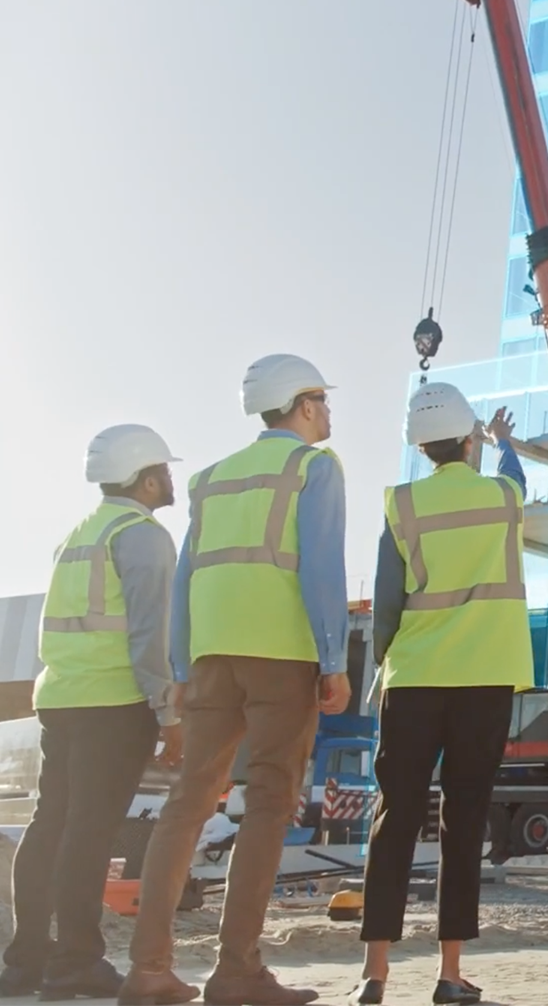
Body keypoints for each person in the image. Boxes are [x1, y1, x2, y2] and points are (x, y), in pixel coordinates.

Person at [118, 355, 352, 1006]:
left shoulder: (213, 478)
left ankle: (148, 969)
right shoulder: (314, 468)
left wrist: (185, 669)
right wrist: (333, 663)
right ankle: (236, 970)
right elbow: (322, 571)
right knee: (271, 804)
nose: (329, 413)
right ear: (302, 406)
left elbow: (188, 578)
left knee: (188, 805)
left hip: (214, 658)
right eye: (324, 401)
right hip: (280, 657)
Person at [345, 383, 531, 1006]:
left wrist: (384, 665)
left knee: (394, 816)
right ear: (469, 438)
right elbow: (515, 477)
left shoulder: (401, 504)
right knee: (464, 817)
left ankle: (374, 974)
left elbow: (389, 601)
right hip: (484, 676)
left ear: (420, 446)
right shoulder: (501, 496)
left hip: (415, 676)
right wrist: (503, 443)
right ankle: (450, 974)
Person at [0, 426, 185, 1001]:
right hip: (113, 702)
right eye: (165, 470)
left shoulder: (77, 536)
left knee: (48, 824)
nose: (171, 479)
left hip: (60, 697)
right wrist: (168, 711)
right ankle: (77, 961)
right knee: (90, 831)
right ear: (149, 477)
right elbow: (150, 635)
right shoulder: (143, 536)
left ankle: (26, 962)